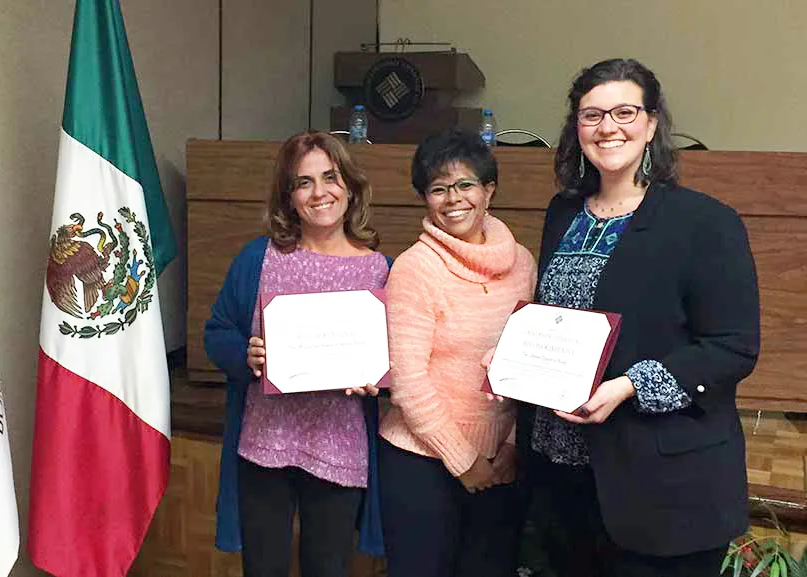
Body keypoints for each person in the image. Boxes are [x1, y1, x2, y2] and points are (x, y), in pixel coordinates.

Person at [520, 58, 760, 577]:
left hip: (663, 485)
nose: (608, 127)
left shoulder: (704, 222)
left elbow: (732, 347)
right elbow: (557, 319)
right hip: (562, 471)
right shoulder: (563, 212)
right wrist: (512, 357)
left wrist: (628, 386)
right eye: (591, 115)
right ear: (576, 128)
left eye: (624, 112)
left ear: (652, 124)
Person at [203, 130, 389, 577]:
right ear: (288, 197)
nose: (320, 192)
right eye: (304, 182)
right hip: (264, 447)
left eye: (331, 177)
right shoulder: (259, 258)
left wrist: (378, 381)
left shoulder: (379, 269)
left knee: (328, 569)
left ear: (350, 186)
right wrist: (244, 356)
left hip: (340, 449)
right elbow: (216, 332)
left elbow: (395, 359)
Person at [378, 128, 536, 577]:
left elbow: (526, 360)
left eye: (465, 184)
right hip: (421, 461)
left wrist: (507, 446)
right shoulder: (415, 268)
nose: (454, 199)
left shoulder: (522, 261)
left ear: (489, 190)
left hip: (501, 462)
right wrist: (465, 460)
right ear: (425, 198)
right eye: (438, 189)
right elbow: (407, 383)